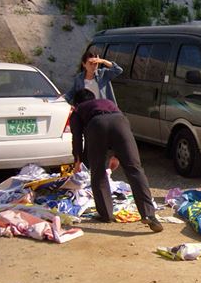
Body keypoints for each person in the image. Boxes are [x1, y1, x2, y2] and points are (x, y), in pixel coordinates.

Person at [70, 89, 163, 233]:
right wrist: (117, 155)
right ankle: (149, 214)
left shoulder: (77, 111)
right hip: (120, 123)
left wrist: (77, 159)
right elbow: (118, 124)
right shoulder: (107, 102)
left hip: (96, 125)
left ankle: (106, 214)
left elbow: (77, 137)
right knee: (135, 169)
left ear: (76, 103)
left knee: (98, 172)